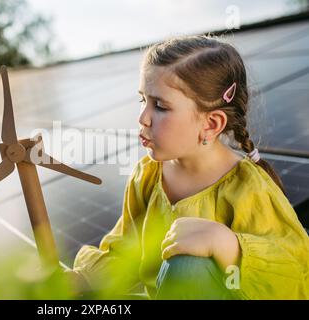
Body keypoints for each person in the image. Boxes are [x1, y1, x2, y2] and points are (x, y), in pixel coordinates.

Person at [67, 35, 309, 299]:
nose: (142, 118)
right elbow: (128, 248)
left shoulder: (249, 189)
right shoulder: (146, 175)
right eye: (142, 100)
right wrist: (82, 280)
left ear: (211, 124)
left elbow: (294, 274)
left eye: (160, 106)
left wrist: (230, 247)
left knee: (187, 265)